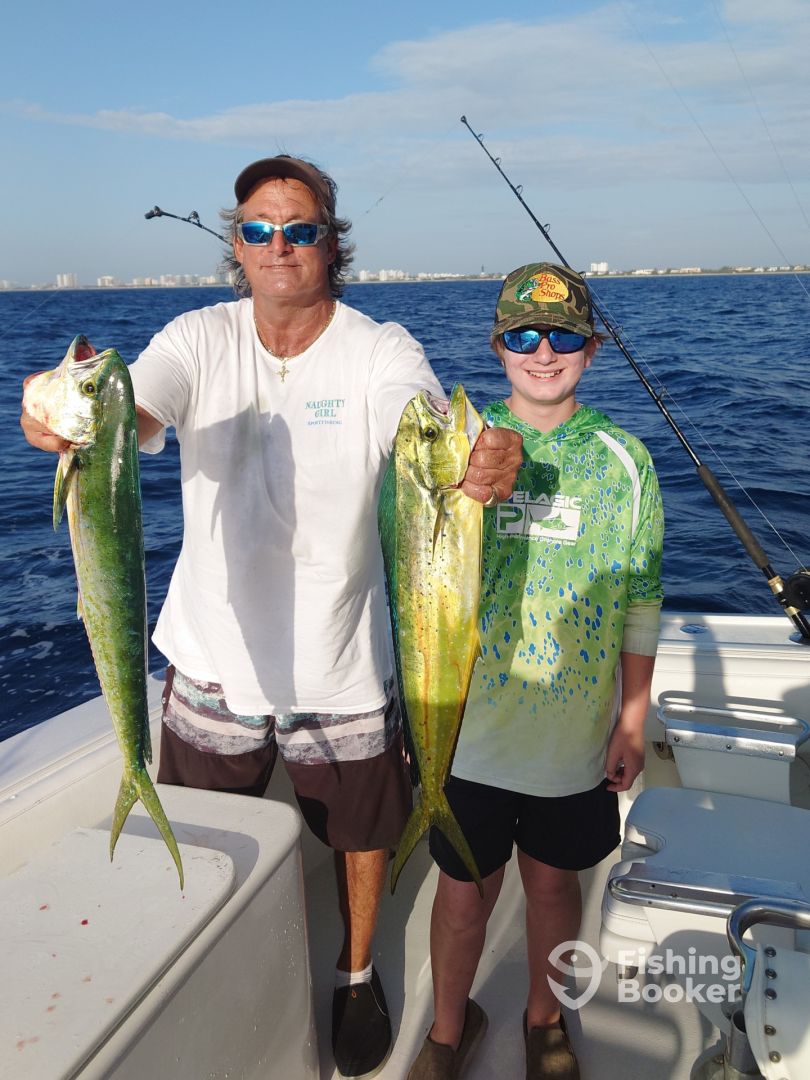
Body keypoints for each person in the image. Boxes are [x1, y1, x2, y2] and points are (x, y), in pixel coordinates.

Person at [20, 155, 523, 1079]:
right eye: (258, 228)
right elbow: (138, 413)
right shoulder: (196, 337)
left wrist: (481, 458)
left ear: (333, 245)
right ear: (237, 246)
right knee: (206, 828)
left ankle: (356, 972)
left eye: (301, 228)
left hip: (345, 659)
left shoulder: (380, 347)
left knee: (362, 837)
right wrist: (63, 417)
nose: (279, 244)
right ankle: (206, 950)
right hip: (211, 659)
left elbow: (416, 423)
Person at [407, 262, 664, 1080]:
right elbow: (410, 577)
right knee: (462, 895)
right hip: (467, 731)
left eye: (562, 336)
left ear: (591, 349)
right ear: (497, 347)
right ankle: (448, 1029)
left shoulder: (625, 460)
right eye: (522, 335)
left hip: (571, 737)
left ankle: (543, 1018)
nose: (542, 352)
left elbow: (641, 598)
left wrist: (632, 718)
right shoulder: (454, 451)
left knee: (553, 888)